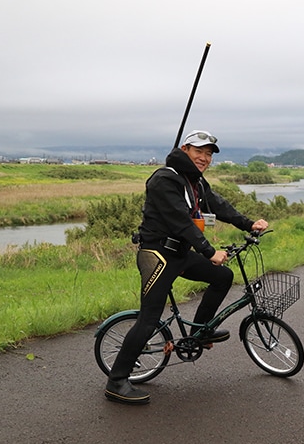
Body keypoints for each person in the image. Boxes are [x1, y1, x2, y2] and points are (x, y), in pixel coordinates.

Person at [104, 130, 268, 405]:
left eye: (208, 154)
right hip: (157, 255)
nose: (204, 158)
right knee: (149, 319)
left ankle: (199, 331)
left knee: (222, 276)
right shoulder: (164, 179)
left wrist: (249, 223)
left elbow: (219, 205)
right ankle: (117, 381)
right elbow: (181, 221)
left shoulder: (195, 182)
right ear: (184, 149)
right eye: (199, 151)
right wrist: (209, 251)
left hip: (179, 254)